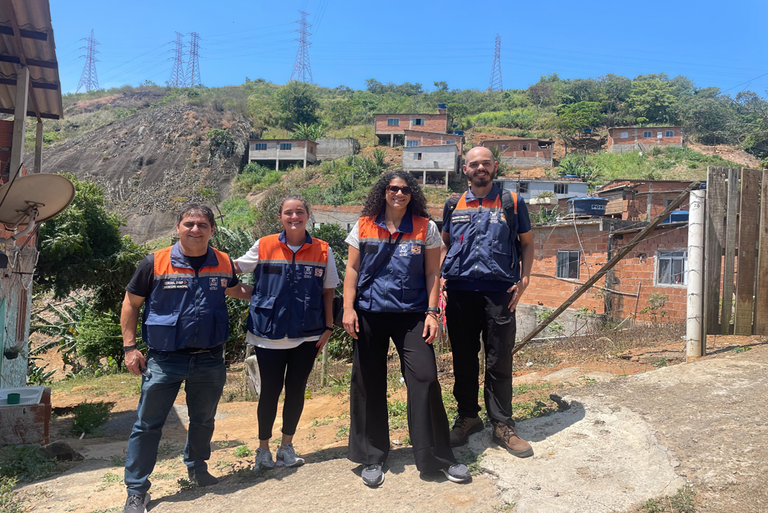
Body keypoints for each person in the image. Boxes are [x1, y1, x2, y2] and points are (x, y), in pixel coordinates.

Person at [343, 170, 470, 487]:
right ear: (383, 191)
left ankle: (436, 457)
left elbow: (432, 274)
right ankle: (373, 456)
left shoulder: (426, 227)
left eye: (404, 189)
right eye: (392, 188)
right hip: (369, 312)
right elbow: (352, 268)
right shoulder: (363, 225)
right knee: (368, 382)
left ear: (412, 194)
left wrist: (432, 312)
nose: (398, 193)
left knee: (425, 378)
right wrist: (347, 308)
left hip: (412, 313)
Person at [121, 204, 249, 513]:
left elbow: (233, 289)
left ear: (212, 230)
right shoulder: (155, 262)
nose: (195, 229)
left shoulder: (223, 262)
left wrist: (272, 290)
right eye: (189, 223)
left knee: (204, 420)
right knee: (147, 425)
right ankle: (137, 490)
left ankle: (197, 467)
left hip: (209, 358)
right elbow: (131, 302)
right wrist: (129, 347)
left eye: (202, 224)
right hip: (164, 359)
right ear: (177, 227)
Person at [232, 195, 339, 471]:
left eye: (300, 211)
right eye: (288, 212)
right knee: (269, 391)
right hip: (267, 335)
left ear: (308, 214)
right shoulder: (264, 245)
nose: (294, 217)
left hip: (307, 335)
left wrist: (328, 327)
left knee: (296, 390)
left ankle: (287, 446)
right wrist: (253, 296)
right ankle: (263, 450)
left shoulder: (323, 250)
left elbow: (328, 293)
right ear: (280, 217)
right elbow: (232, 270)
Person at [441, 146, 535, 458]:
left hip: (499, 293)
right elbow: (443, 244)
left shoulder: (511, 201)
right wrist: (441, 276)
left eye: (485, 163)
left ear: (494, 167)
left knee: (499, 359)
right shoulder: (453, 204)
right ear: (464, 169)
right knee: (463, 358)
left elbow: (528, 243)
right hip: (459, 291)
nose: (480, 168)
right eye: (473, 164)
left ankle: (502, 424)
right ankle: (468, 417)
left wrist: (525, 279)